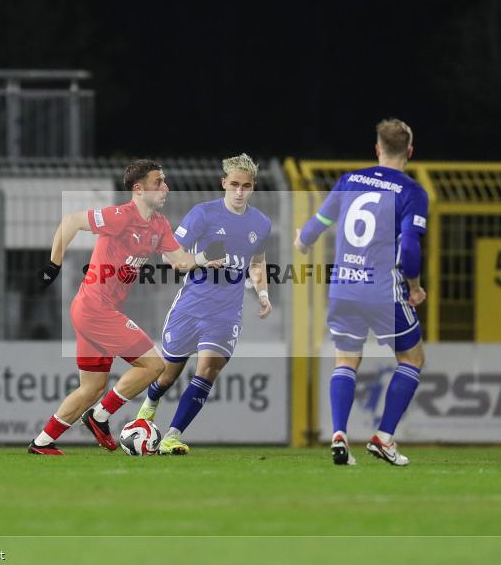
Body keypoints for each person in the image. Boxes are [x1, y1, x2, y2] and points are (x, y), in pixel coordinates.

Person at [28, 159, 224, 455]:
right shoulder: (121, 216)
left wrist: (203, 258)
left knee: (92, 388)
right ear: (138, 189)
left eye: (165, 180)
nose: (165, 187)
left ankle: (42, 442)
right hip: (95, 308)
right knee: (154, 365)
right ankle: (99, 416)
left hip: (91, 309)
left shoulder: (158, 225)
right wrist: (53, 265)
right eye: (158, 182)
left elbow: (179, 262)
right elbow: (70, 221)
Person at [294, 118, 427, 467]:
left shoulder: (349, 180)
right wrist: (413, 287)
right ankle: (383, 437)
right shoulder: (412, 192)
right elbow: (410, 249)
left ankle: (338, 433)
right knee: (412, 359)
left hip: (344, 286)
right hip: (383, 290)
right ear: (410, 152)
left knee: (346, 360)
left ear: (377, 149)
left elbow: (319, 223)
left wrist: (302, 241)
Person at [136, 153, 273, 455]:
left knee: (208, 369)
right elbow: (170, 258)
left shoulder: (261, 224)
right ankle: (148, 408)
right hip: (191, 307)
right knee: (168, 374)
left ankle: (172, 436)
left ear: (253, 187)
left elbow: (258, 263)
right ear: (224, 183)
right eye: (234, 184)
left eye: (246, 186)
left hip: (225, 313)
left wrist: (263, 295)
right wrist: (200, 260)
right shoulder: (203, 214)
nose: (240, 191)